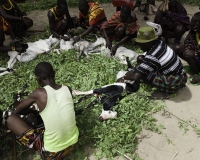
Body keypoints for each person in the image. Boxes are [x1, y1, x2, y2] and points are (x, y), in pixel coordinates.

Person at [6, 62, 79, 159]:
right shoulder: (67, 88)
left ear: (38, 79)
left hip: (52, 153)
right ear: (54, 73)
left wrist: (27, 109)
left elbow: (18, 109)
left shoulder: (39, 93)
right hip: (72, 143)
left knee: (11, 119)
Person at [123, 26, 187, 99]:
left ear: (147, 43)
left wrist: (123, 77)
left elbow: (134, 77)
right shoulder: (159, 43)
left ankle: (166, 92)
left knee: (143, 74)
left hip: (175, 82)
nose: (139, 46)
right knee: (140, 61)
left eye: (141, 44)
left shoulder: (153, 55)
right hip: (180, 74)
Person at [173, 12, 200, 84]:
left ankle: (197, 72)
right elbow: (187, 42)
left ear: (197, 25)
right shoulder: (194, 32)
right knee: (177, 48)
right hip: (197, 56)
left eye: (192, 22)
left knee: (187, 53)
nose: (190, 23)